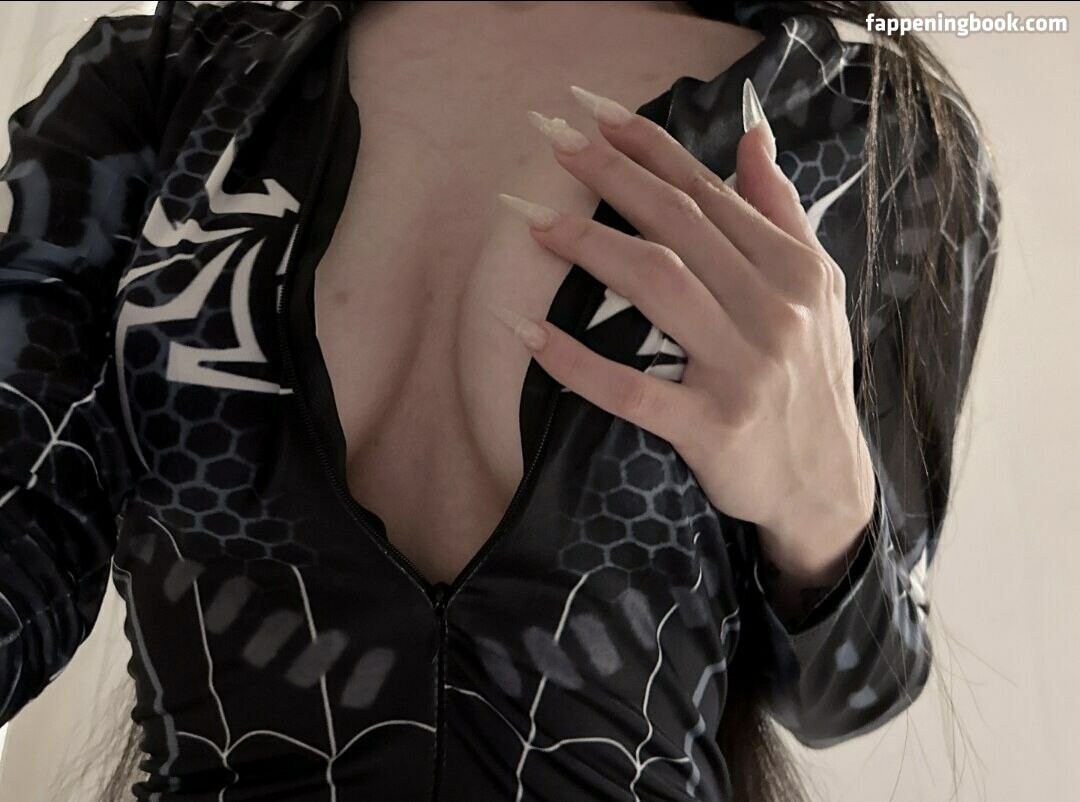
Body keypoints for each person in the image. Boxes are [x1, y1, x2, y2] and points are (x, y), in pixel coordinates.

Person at [0, 1, 999, 800]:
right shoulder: (159, 86)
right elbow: (26, 544)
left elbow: (852, 689)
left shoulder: (861, 126)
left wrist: (821, 511)